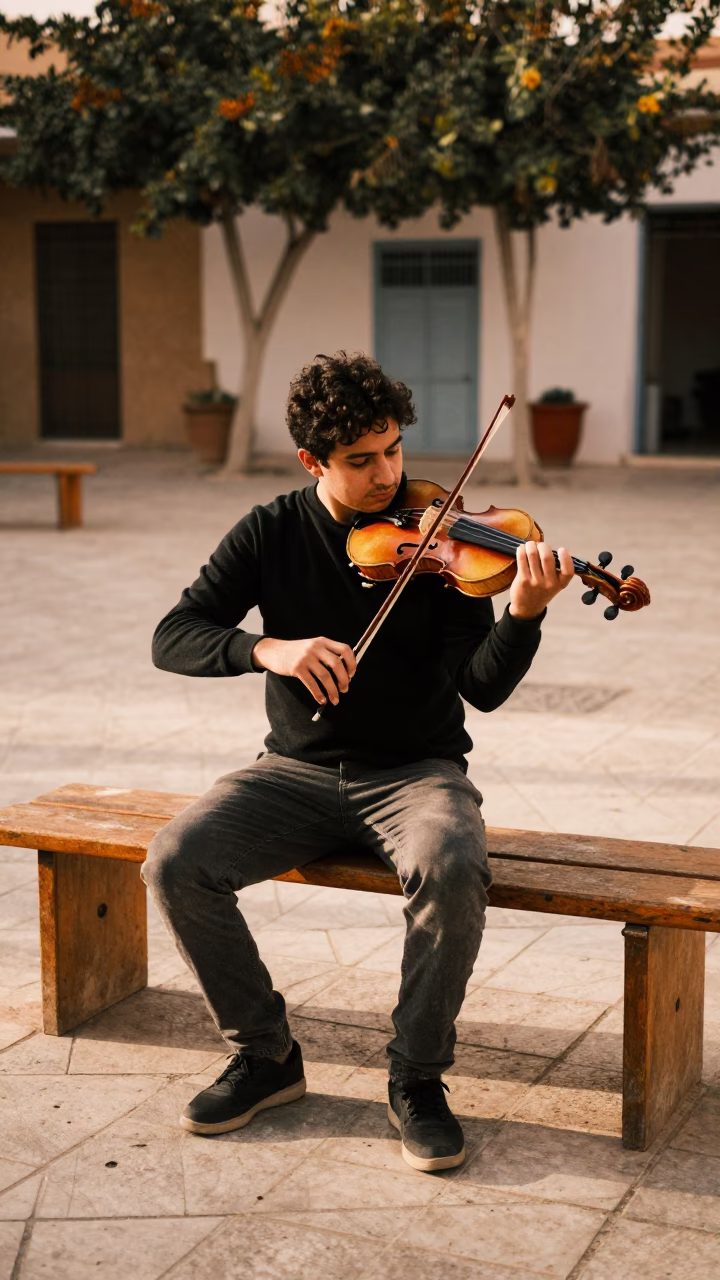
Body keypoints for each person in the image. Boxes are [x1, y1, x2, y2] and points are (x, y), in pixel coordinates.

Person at [142, 350, 573, 1172]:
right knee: (175, 860)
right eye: (361, 460)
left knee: (451, 862)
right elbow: (174, 634)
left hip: (417, 773)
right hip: (291, 773)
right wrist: (265, 647)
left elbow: (481, 688)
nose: (390, 476)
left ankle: (416, 1077)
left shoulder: (446, 544)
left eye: (394, 449)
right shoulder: (270, 530)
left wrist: (521, 612)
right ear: (313, 462)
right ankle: (266, 1056)